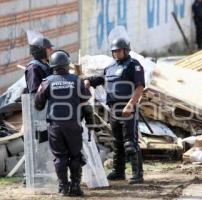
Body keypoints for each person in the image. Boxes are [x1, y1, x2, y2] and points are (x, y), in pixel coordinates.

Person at [84, 37, 145, 184]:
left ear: (125, 50)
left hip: (127, 109)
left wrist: (130, 105)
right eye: (114, 51)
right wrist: (88, 81)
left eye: (119, 50)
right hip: (113, 110)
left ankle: (138, 174)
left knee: (130, 144)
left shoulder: (133, 65)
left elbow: (140, 87)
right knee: (117, 143)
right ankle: (119, 172)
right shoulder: (110, 67)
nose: (116, 53)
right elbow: (101, 79)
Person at [35, 50, 92, 196]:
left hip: (55, 126)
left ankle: (63, 187)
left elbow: (38, 104)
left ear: (52, 65)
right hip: (73, 123)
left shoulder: (47, 82)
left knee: (60, 157)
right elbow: (85, 98)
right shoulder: (76, 80)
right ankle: (75, 187)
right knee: (75, 156)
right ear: (67, 64)